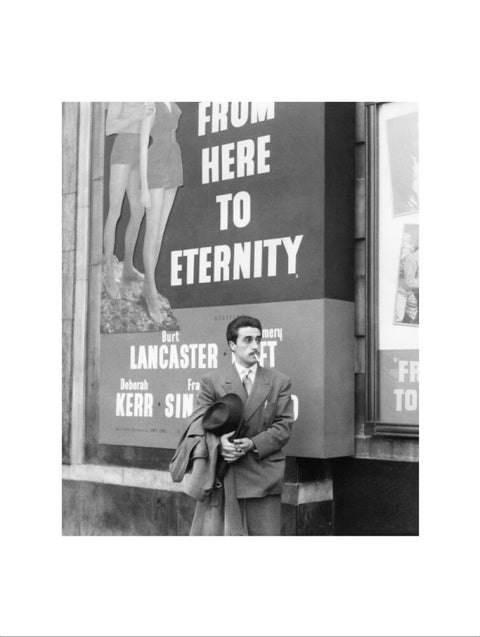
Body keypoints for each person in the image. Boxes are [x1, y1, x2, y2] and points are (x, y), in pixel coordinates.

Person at [191, 315, 294, 535]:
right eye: (247, 340)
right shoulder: (212, 381)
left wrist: (252, 443)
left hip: (264, 476)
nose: (255, 346)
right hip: (225, 476)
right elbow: (199, 425)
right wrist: (220, 443)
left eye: (258, 340)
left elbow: (283, 427)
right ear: (232, 345)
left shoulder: (279, 382)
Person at [103, 102, 155, 299]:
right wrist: (137, 116)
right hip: (123, 148)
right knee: (115, 210)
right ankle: (108, 272)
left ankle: (128, 267)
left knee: (138, 210)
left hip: (141, 150)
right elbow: (110, 128)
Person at [139, 102, 183, 323]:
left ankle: (149, 285)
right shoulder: (150, 102)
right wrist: (144, 188)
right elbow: (142, 144)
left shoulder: (172, 102)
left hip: (174, 160)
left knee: (160, 232)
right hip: (156, 163)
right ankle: (151, 291)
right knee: (152, 232)